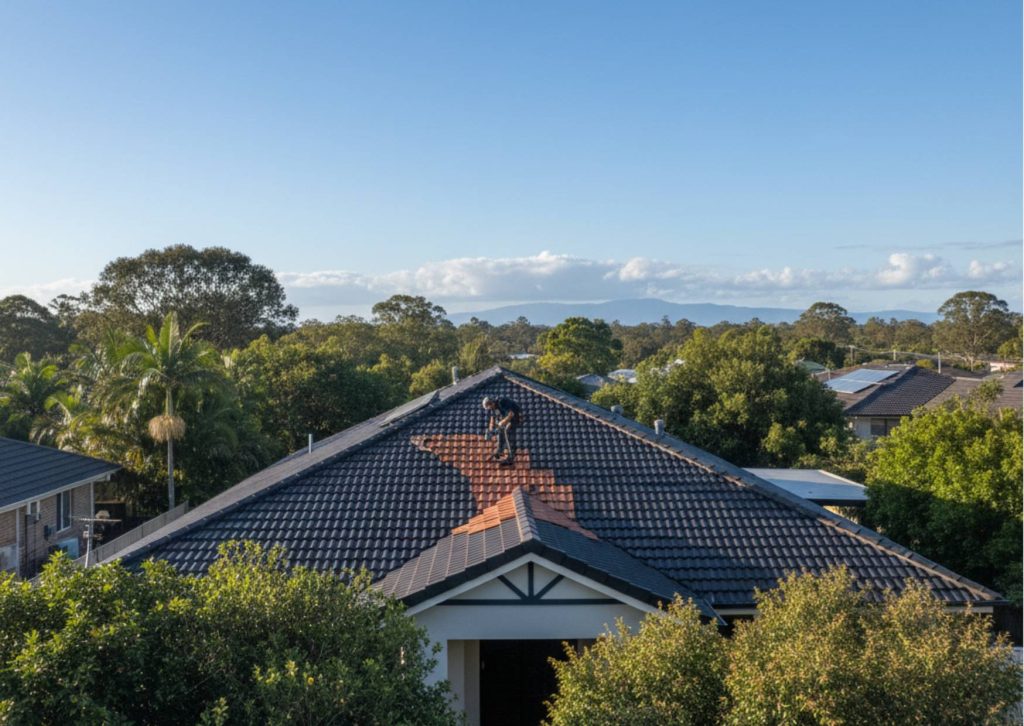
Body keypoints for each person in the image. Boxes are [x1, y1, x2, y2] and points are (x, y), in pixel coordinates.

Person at [482, 396, 523, 465]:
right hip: (508, 417)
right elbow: (493, 419)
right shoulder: (494, 408)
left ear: (491, 403)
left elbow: (511, 414)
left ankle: (511, 458)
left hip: (517, 416)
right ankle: (499, 451)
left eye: (490, 407)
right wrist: (490, 430)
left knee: (507, 431)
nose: (491, 409)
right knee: (500, 430)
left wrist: (502, 422)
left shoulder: (502, 402)